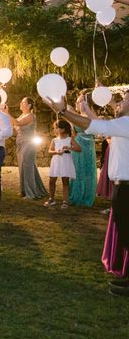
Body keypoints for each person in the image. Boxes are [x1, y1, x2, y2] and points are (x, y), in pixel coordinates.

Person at [44, 91, 129, 296]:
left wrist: (63, 111)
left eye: (125, 100)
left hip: (126, 187)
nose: (120, 103)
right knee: (125, 234)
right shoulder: (122, 125)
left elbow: (93, 126)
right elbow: (99, 123)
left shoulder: (126, 123)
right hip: (122, 186)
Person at [7, 97, 47, 200]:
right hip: (20, 143)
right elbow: (16, 127)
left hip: (28, 144)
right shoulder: (22, 115)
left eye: (23, 102)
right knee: (22, 167)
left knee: (27, 167)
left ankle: (31, 193)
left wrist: (6, 112)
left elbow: (17, 123)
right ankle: (24, 190)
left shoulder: (30, 116)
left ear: (29, 106)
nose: (20, 103)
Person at [45, 120, 81, 208]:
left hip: (66, 161)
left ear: (63, 129)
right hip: (56, 161)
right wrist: (56, 152)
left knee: (65, 181)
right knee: (52, 180)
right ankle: (51, 199)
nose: (54, 130)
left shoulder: (70, 139)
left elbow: (79, 148)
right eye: (54, 128)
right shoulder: (54, 140)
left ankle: (65, 201)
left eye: (56, 128)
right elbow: (49, 151)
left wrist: (69, 147)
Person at [69, 98, 97, 207]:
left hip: (88, 144)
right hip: (77, 142)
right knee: (77, 169)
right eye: (76, 101)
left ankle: (86, 195)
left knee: (87, 170)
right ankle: (75, 194)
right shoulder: (76, 116)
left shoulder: (89, 116)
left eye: (79, 101)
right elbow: (74, 132)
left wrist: (72, 115)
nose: (76, 103)